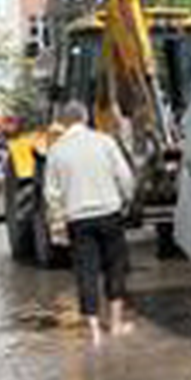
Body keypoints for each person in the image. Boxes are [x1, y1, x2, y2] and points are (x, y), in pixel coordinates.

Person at [45, 100, 136, 346]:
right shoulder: (105, 141)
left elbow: (51, 194)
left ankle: (95, 332)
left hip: (78, 219)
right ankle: (115, 325)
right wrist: (126, 201)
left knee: (86, 272)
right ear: (85, 118)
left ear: (64, 122)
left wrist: (58, 223)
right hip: (109, 213)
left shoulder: (56, 151)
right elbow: (125, 176)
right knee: (115, 267)